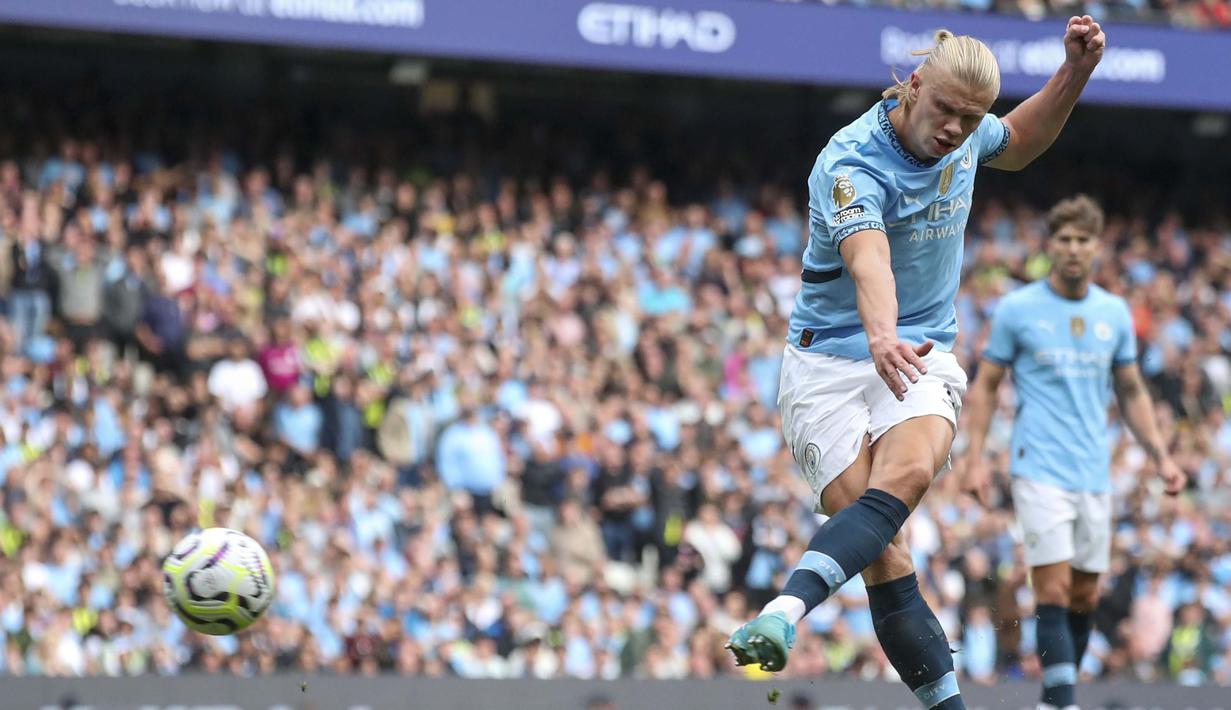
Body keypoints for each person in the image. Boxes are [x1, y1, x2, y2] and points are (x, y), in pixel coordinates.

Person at [725, 16, 1108, 710]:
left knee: (905, 475)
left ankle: (783, 610)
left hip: (921, 350)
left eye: (970, 119)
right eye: (945, 111)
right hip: (828, 365)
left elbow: (1018, 142)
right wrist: (879, 335)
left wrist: (1074, 72)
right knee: (885, 554)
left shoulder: (966, 135)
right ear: (912, 86)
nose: (955, 131)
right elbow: (869, 258)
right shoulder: (850, 163)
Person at [961, 195, 1186, 710]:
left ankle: (1053, 698)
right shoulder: (1017, 309)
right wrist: (973, 460)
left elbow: (1131, 390)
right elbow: (988, 385)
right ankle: (1063, 702)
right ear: (1050, 245)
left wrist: (1161, 456)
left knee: (1084, 595)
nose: (1074, 249)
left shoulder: (1113, 312)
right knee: (1053, 588)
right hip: (1037, 467)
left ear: (1097, 247)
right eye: (1064, 239)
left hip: (1093, 471)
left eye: (1083, 240)